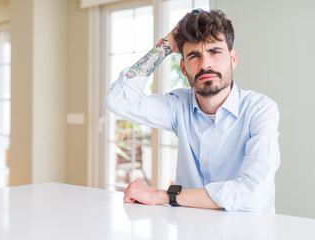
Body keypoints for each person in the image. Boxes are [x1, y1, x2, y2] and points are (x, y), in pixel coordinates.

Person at [105, 9, 280, 212]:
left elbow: (253, 194)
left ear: (233, 59)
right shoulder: (178, 105)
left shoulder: (260, 110)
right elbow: (118, 100)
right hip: (189, 228)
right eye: (194, 55)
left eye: (215, 52)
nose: (205, 64)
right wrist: (166, 45)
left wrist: (163, 196)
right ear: (183, 67)